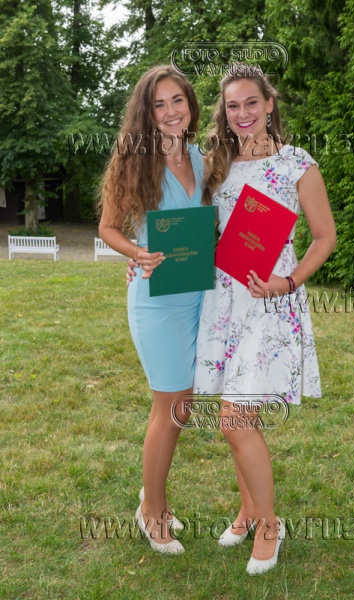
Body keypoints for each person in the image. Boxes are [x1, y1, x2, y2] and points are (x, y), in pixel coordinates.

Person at [127, 63, 336, 574]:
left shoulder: (297, 163)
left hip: (269, 301)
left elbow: (324, 237)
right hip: (222, 302)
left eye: (251, 103)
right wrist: (140, 255)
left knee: (235, 418)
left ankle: (269, 525)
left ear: (269, 104)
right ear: (224, 111)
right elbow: (191, 224)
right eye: (233, 105)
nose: (242, 113)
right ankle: (247, 513)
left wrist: (289, 282)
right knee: (241, 413)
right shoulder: (217, 162)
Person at [99, 65, 205, 555]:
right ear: (147, 113)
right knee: (171, 407)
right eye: (159, 104)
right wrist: (137, 253)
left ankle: (153, 498)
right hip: (156, 298)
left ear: (191, 104)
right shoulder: (135, 160)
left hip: (198, 296)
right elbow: (108, 227)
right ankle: (152, 513)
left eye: (177, 100)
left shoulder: (203, 157)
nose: (170, 112)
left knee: (181, 405)